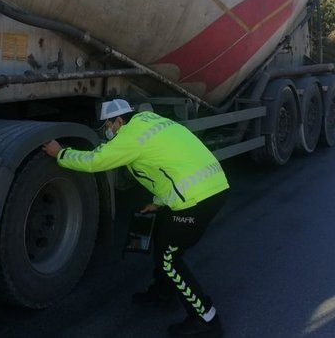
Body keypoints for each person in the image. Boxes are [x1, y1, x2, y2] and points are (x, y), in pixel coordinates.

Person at [43, 99, 229, 337]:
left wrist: (61, 153)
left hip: (196, 201)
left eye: (106, 126)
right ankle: (163, 293)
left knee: (168, 258)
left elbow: (95, 161)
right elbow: (168, 164)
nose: (106, 132)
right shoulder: (147, 121)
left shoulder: (128, 137)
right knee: (163, 235)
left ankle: (206, 318)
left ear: (118, 120)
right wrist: (158, 202)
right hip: (210, 188)